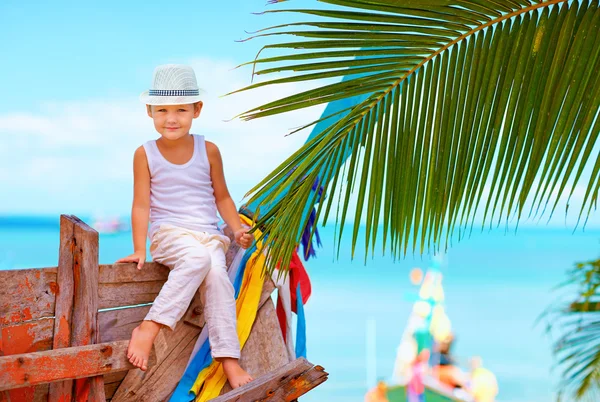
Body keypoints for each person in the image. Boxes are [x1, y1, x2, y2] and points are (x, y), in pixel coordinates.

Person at [116, 64, 254, 389]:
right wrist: (139, 248)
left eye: (180, 109)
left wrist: (235, 229)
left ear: (197, 110)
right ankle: (149, 328)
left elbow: (222, 197)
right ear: (150, 111)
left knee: (219, 279)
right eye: (162, 110)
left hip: (208, 237)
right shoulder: (145, 153)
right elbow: (141, 204)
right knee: (197, 260)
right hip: (169, 236)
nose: (171, 118)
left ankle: (228, 360)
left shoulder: (209, 150)